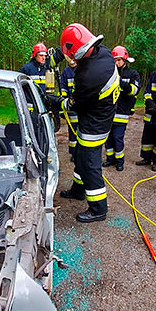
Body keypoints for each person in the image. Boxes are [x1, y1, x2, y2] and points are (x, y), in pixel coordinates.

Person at [46, 23, 120, 223]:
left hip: (94, 125)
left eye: (71, 56)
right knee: (79, 156)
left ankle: (98, 209)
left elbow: (75, 105)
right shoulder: (102, 53)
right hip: (99, 116)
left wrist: (57, 102)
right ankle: (78, 190)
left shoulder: (89, 75)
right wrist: (61, 55)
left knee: (90, 165)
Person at [102, 46, 141, 171]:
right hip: (109, 112)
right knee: (108, 138)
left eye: (119, 60)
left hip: (122, 113)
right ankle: (110, 159)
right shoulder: (109, 73)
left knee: (118, 138)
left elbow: (134, 90)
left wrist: (120, 82)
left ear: (125, 59)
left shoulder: (133, 74)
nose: (116, 63)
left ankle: (119, 161)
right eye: (115, 60)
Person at [60, 58, 78, 161]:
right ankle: (73, 153)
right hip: (71, 108)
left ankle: (81, 153)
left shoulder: (82, 69)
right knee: (72, 131)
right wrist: (64, 107)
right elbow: (63, 89)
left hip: (81, 107)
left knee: (82, 131)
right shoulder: (66, 72)